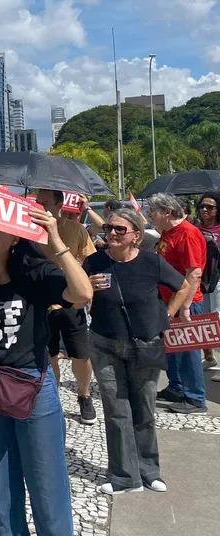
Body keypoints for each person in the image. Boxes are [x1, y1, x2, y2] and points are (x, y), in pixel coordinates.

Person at [0, 209, 93, 536]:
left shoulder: (34, 272)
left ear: (16, 235)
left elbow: (83, 294)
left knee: (46, 486)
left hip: (33, 386)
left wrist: (56, 241)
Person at [84, 208, 190, 495]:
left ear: (136, 236)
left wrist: (166, 316)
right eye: (109, 229)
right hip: (104, 342)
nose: (112, 234)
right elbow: (76, 293)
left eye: (120, 229)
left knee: (144, 408)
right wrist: (87, 288)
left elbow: (183, 286)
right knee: (116, 411)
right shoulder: (93, 262)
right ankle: (123, 477)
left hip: (145, 343)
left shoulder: (151, 261)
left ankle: (149, 471)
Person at [36, 189, 98, 425]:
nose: (40, 206)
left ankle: (84, 395)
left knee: (81, 354)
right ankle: (53, 395)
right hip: (42, 301)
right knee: (49, 352)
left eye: (45, 202)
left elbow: (88, 259)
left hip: (71, 299)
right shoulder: (28, 231)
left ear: (59, 204)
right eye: (37, 202)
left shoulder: (76, 229)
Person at [149, 193, 209, 414]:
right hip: (168, 300)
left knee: (188, 350)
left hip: (185, 303)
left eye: (153, 211)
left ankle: (195, 397)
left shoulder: (188, 234)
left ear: (166, 212)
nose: (150, 215)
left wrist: (185, 306)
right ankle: (176, 387)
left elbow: (194, 273)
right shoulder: (169, 232)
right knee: (172, 348)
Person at [194, 192, 220, 372]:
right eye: (202, 206)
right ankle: (209, 356)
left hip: (218, 280)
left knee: (217, 319)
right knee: (203, 320)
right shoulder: (194, 228)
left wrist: (214, 245)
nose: (204, 210)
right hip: (200, 280)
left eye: (209, 207)